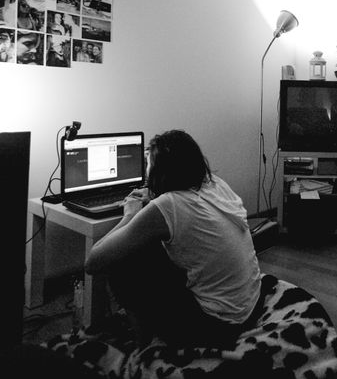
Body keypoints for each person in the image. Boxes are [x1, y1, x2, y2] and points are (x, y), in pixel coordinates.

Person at [85, 130, 262, 348]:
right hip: (249, 308)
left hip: (217, 326)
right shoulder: (215, 183)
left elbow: (93, 262)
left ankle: (144, 346)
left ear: (160, 172)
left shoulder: (170, 205)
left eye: (148, 164)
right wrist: (154, 196)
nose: (146, 171)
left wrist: (130, 214)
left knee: (122, 260)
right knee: (153, 244)